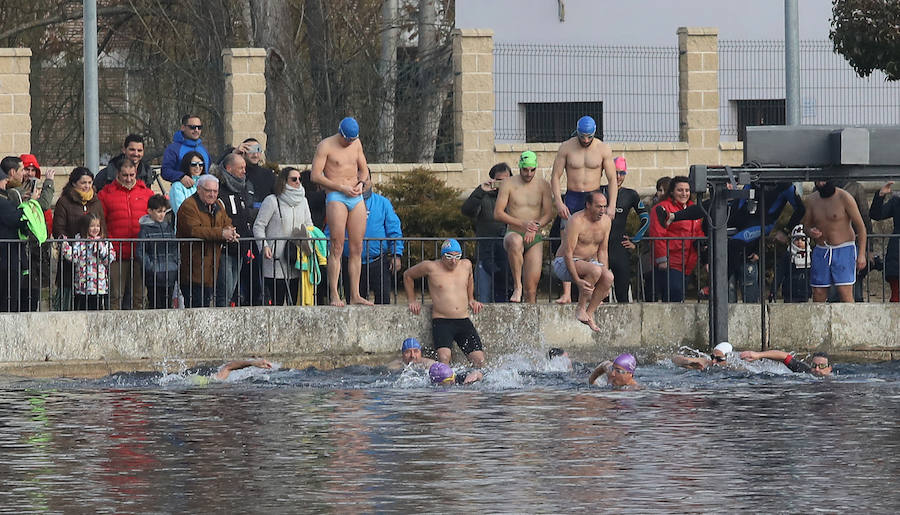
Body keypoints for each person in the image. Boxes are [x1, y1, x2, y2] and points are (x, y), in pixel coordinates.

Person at [550, 116, 618, 304]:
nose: (586, 140)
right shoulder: (566, 147)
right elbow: (555, 177)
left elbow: (612, 179)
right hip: (572, 197)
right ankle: (566, 292)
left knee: (595, 241)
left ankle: (597, 289)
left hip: (593, 196)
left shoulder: (603, 149)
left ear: (594, 133)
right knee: (568, 242)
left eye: (589, 137)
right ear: (577, 132)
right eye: (582, 137)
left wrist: (611, 205)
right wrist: (559, 202)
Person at [311, 116, 373, 306]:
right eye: (347, 139)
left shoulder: (356, 144)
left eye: (352, 140)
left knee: (357, 247)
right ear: (341, 133)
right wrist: (339, 187)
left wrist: (361, 183)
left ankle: (355, 294)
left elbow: (364, 170)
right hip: (336, 196)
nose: (349, 143)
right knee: (337, 246)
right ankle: (334, 294)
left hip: (355, 195)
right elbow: (315, 175)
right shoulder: (326, 146)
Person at [403, 238, 486, 368]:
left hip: (463, 320)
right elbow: (408, 275)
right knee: (444, 358)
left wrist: (471, 298)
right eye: (449, 256)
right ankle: (445, 385)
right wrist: (412, 300)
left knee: (479, 360)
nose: (453, 261)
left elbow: (470, 278)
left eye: (457, 256)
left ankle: (474, 384)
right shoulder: (430, 267)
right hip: (442, 321)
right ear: (442, 256)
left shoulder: (466, 265)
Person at [493, 151, 553, 303]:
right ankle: (517, 285)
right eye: (525, 170)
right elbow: (498, 213)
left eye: (532, 170)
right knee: (515, 241)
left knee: (531, 290)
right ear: (519, 167)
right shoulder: (508, 184)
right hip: (514, 232)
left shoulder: (543, 185)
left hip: (534, 237)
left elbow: (548, 214)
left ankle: (530, 323)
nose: (528, 173)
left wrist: (534, 227)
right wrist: (523, 224)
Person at [551, 190, 614, 332]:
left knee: (608, 277)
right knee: (595, 270)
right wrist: (577, 281)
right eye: (599, 207)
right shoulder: (576, 220)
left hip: (588, 263)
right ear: (588, 205)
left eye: (604, 207)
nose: (602, 211)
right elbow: (568, 253)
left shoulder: (606, 221)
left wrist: (604, 279)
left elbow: (603, 251)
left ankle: (589, 313)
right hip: (564, 263)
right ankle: (580, 308)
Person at [98, 158, 154, 310]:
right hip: (116, 252)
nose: (128, 179)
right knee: (115, 297)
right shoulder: (105, 194)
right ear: (117, 174)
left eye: (131, 175)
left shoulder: (147, 193)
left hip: (140, 252)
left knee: (139, 297)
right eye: (125, 175)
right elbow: (100, 222)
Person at [253, 167, 313, 305]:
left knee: (295, 302)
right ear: (284, 181)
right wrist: (264, 246)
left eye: (300, 179)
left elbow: (309, 224)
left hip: (297, 260)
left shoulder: (303, 201)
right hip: (275, 260)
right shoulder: (272, 201)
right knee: (276, 302)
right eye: (294, 179)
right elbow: (259, 225)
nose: (298, 182)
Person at [176, 174, 238, 307]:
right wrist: (222, 233)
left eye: (215, 191)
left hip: (211, 269)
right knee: (195, 308)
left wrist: (230, 232)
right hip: (193, 268)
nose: (212, 194)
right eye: (208, 191)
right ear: (199, 189)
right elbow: (195, 230)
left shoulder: (218, 205)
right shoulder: (189, 206)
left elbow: (227, 221)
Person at [338, 180, 404, 304]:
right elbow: (331, 231)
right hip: (350, 262)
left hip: (378, 261)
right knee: (353, 304)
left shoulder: (383, 203)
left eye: (365, 180)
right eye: (357, 180)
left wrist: (397, 254)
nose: (361, 183)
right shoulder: (342, 203)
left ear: (371, 181)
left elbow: (394, 229)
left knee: (384, 303)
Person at [802, 180, 867, 302]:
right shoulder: (812, 200)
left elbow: (861, 227)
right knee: (818, 292)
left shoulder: (845, 197)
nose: (820, 184)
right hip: (822, 250)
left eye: (823, 181)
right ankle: (819, 320)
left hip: (844, 249)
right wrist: (811, 232)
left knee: (844, 291)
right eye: (818, 182)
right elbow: (806, 226)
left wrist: (862, 254)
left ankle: (849, 320)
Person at [52, 168, 107, 310]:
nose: (87, 186)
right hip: (73, 256)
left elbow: (102, 225)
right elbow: (59, 227)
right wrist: (67, 245)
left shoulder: (96, 202)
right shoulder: (64, 202)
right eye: (83, 183)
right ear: (74, 183)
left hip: (93, 262)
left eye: (89, 182)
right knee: (69, 293)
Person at [647, 176, 704, 302]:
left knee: (680, 298)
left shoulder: (693, 209)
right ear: (672, 192)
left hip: (688, 263)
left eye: (687, 190)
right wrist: (662, 259)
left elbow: (698, 231)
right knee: (674, 298)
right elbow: (658, 234)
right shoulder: (662, 208)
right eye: (680, 190)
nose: (684, 193)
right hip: (670, 262)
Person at [461, 162, 512, 303]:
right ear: (492, 180)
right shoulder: (484, 196)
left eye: (506, 180)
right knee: (484, 298)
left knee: (507, 298)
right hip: (485, 254)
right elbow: (466, 210)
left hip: (508, 255)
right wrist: (481, 190)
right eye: (499, 181)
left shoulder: (514, 197)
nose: (503, 184)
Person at [602, 156, 649, 302]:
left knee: (622, 294)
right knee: (601, 293)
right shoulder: (599, 192)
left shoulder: (630, 195)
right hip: (600, 248)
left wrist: (635, 240)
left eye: (622, 173)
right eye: (615, 172)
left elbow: (646, 219)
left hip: (619, 248)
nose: (618, 176)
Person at [215, 153, 256, 307]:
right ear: (229, 168)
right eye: (240, 168)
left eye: (245, 168)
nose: (244, 171)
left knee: (232, 290)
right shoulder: (220, 189)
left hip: (240, 248)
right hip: (225, 249)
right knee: (224, 291)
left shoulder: (242, 189)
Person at [60, 214, 115, 310]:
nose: (95, 229)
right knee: (82, 310)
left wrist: (100, 250)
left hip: (98, 286)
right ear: (86, 227)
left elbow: (109, 258)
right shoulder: (80, 241)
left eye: (97, 226)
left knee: (97, 310)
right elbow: (74, 257)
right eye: (92, 226)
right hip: (83, 286)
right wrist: (65, 246)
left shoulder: (104, 242)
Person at [136, 194, 179, 309]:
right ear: (150, 211)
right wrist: (150, 267)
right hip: (153, 275)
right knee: (155, 305)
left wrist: (175, 263)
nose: (162, 215)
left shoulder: (168, 228)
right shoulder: (145, 230)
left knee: (167, 305)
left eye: (164, 211)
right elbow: (141, 251)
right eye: (159, 211)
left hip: (169, 272)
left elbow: (175, 248)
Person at [0, 166, 27, 312]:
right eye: (3, 181)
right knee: (8, 304)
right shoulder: (3, 203)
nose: (5, 184)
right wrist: (31, 204)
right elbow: (20, 219)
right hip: (7, 259)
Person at [870, 181, 900, 302]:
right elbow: (876, 214)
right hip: (897, 252)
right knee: (896, 295)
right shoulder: (896, 201)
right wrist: (881, 195)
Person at [161, 114, 211, 187]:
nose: (196, 130)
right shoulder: (173, 149)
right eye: (192, 127)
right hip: (183, 191)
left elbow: (209, 171)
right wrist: (181, 177)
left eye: (199, 127)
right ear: (183, 127)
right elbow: (165, 171)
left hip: (204, 192)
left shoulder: (204, 149)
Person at [769, 224, 812, 303]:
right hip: (790, 292)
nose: (799, 242)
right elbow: (779, 273)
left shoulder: (810, 255)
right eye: (796, 239)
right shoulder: (787, 255)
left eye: (802, 239)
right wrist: (773, 290)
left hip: (806, 292)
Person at [740, 350, 833, 377]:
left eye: (821, 366)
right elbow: (785, 356)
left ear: (829, 368)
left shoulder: (838, 380)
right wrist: (758, 355)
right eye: (814, 366)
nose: (817, 369)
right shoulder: (804, 371)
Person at [169, 151, 206, 219]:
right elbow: (181, 211)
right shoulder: (177, 186)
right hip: (186, 227)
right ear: (187, 165)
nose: (198, 167)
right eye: (194, 164)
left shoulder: (206, 184)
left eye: (200, 164)